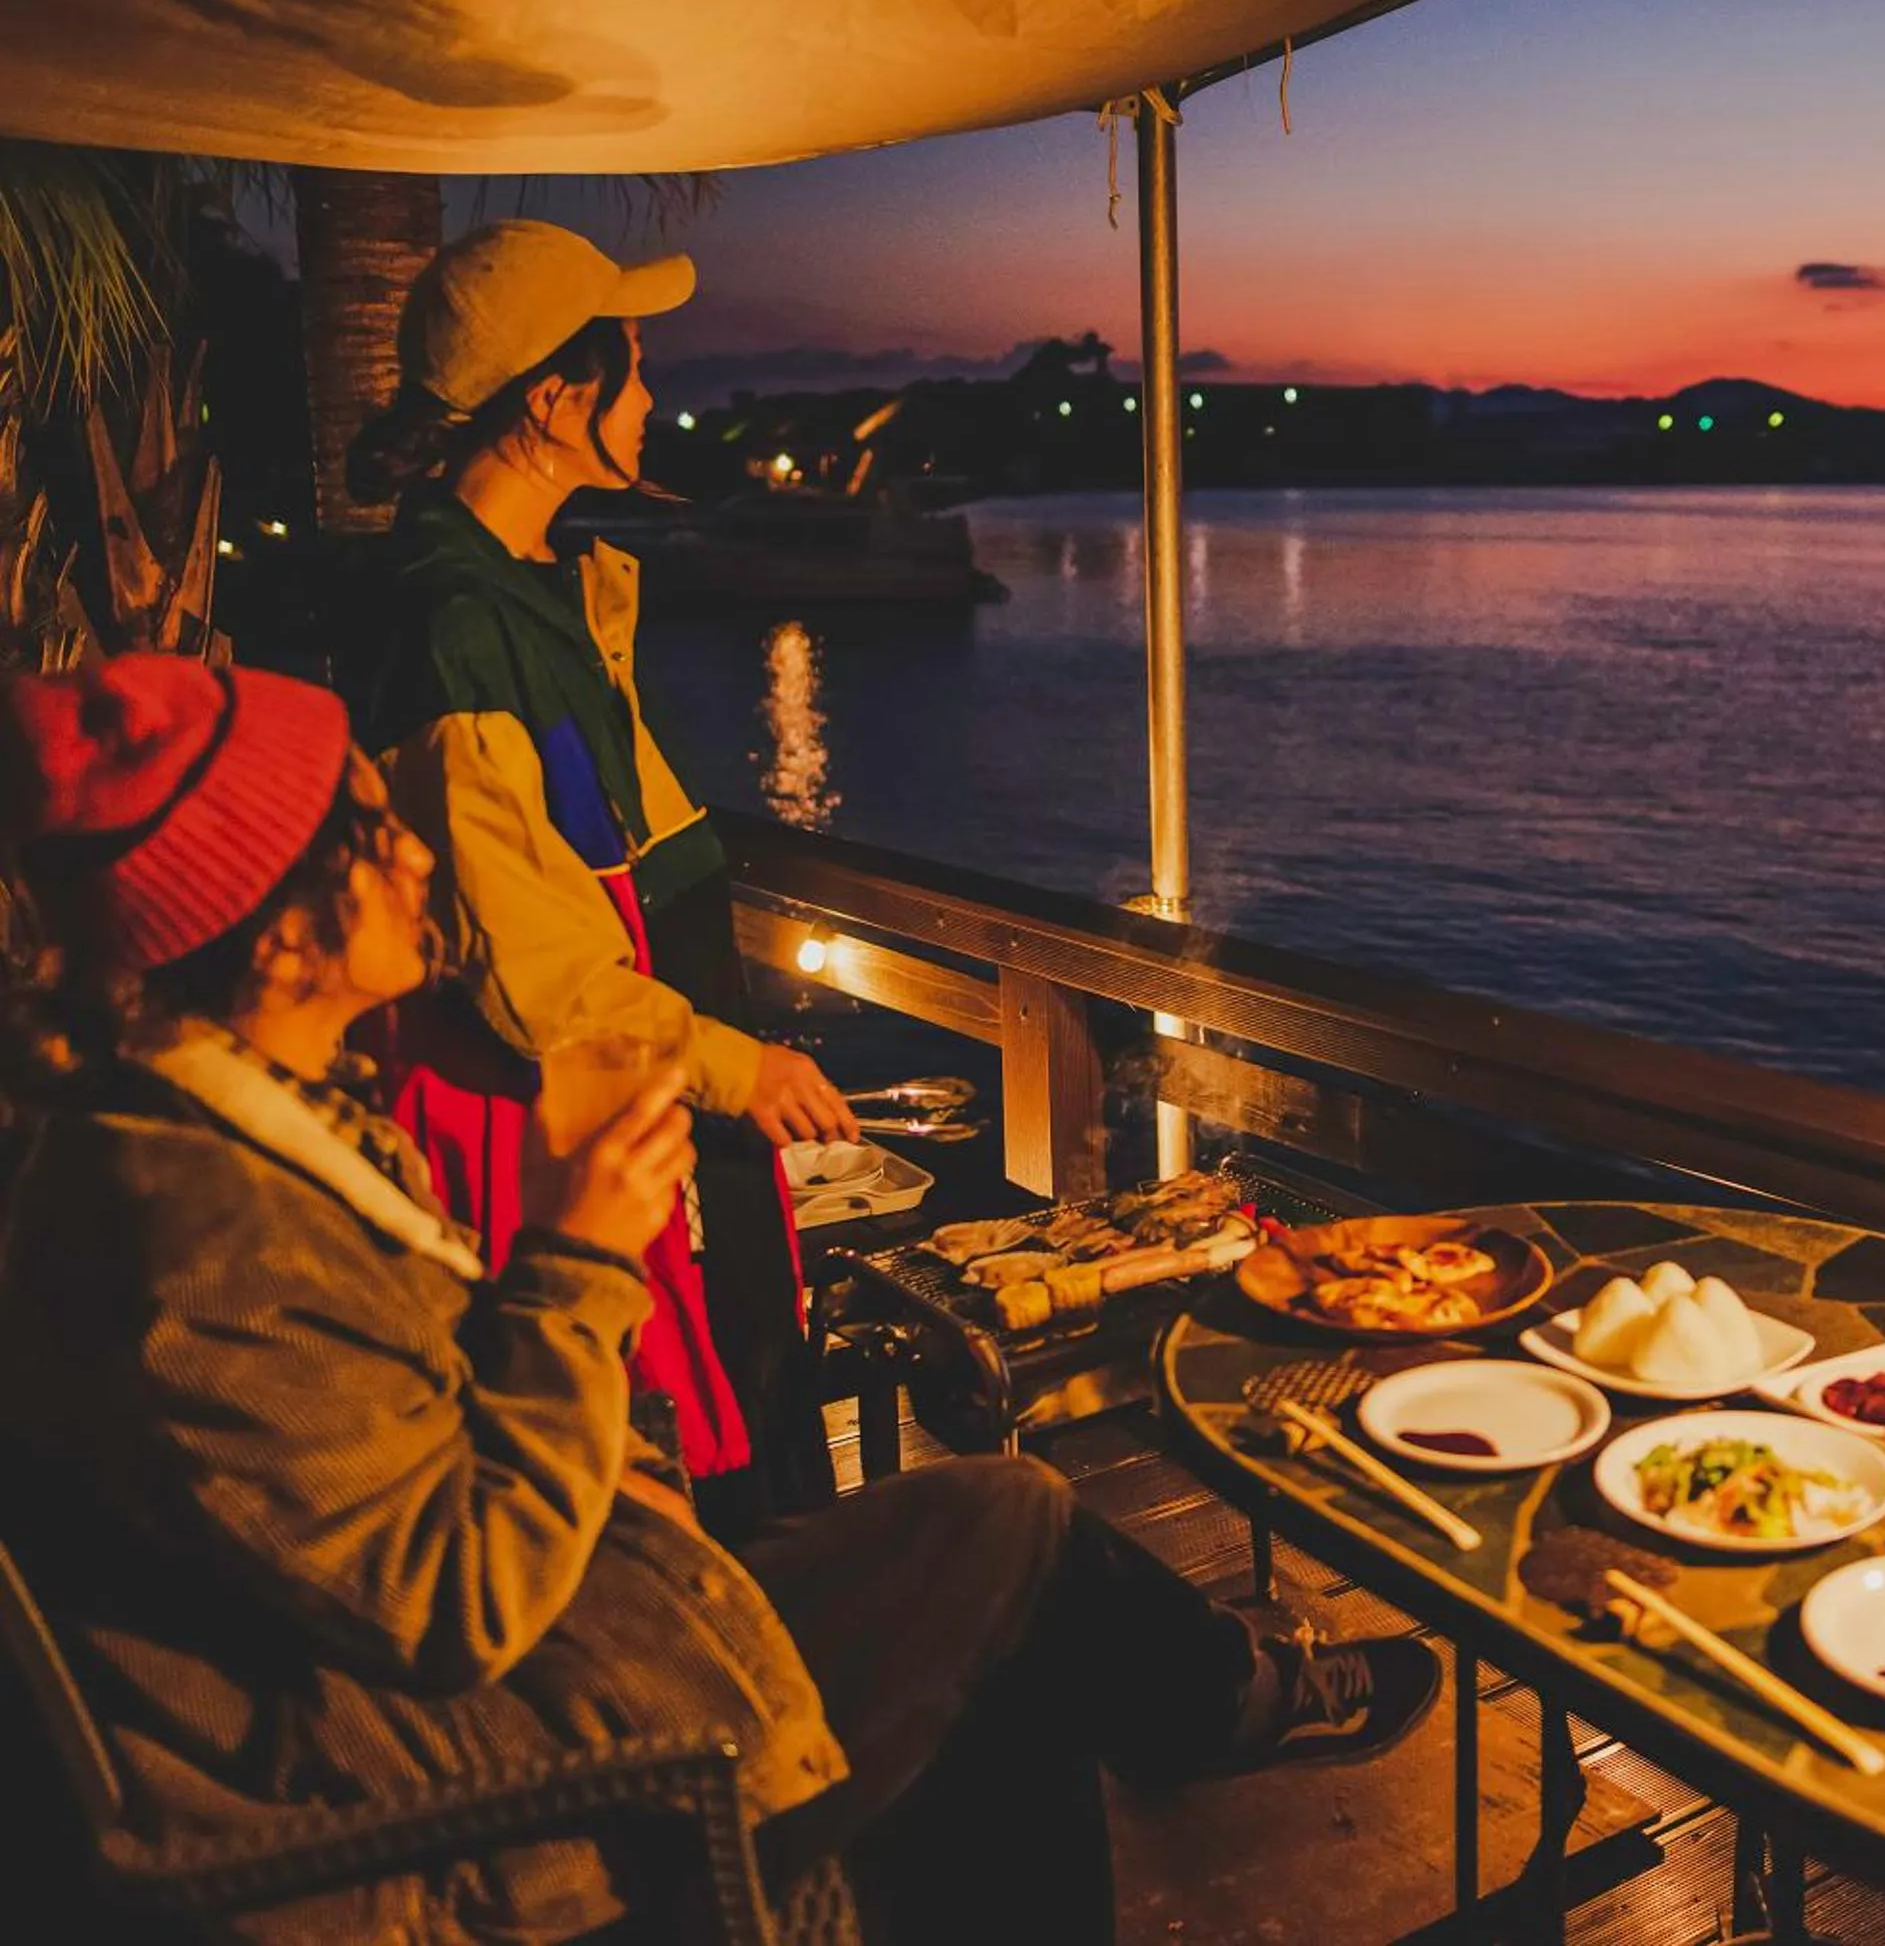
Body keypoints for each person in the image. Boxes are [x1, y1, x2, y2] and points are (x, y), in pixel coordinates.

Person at [0, 656, 1438, 1943]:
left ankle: (1223, 1704)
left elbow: (409, 1455)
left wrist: (627, 1444)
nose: (427, 860)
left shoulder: (245, 1134)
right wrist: (576, 1262)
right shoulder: (187, 1250)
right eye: (376, 832)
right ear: (278, 929)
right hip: (511, 1791)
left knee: (1007, 1532)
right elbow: (451, 1602)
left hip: (573, 1640)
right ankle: (1229, 1704)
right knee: (1008, 1612)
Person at [340, 219, 846, 1532]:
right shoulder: (451, 623)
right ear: (554, 402)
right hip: (541, 1132)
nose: (652, 394)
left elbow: (611, 848)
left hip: (617, 1096)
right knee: (631, 1487)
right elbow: (531, 966)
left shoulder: (531, 588)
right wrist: (742, 1066)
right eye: (630, 367)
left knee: (710, 1431)